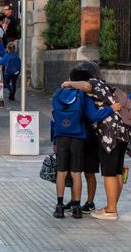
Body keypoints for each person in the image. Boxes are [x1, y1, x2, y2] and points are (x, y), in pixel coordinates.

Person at [62, 61, 131, 221]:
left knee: (109, 172)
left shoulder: (91, 85)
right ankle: (111, 206)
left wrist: (69, 84)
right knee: (118, 171)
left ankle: (111, 210)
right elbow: (117, 100)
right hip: (123, 132)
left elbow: (87, 92)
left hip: (109, 135)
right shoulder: (103, 85)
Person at [50, 73, 119, 220]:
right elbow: (94, 116)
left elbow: (53, 117)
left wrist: (54, 140)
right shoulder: (83, 96)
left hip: (61, 136)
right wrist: (111, 109)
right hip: (78, 137)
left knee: (61, 172)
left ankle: (59, 206)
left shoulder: (57, 93)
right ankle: (76, 207)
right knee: (76, 173)